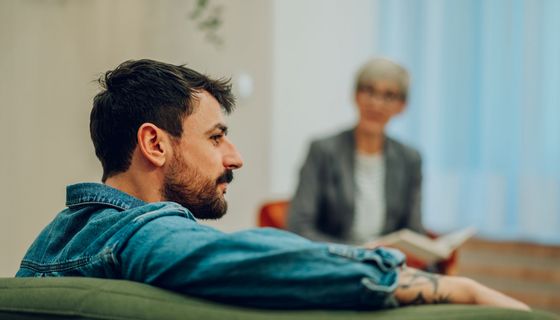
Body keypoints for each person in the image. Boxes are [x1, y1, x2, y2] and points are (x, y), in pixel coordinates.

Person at [16, 59, 528, 311]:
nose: (236, 157)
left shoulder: (55, 238)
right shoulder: (140, 234)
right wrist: (454, 287)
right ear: (155, 144)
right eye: (217, 137)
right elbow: (262, 258)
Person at [289, 58, 424, 245]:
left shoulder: (410, 159)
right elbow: (299, 226)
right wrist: (358, 255)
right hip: (335, 261)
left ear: (401, 106)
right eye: (369, 91)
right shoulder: (322, 151)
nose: (376, 104)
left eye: (389, 95)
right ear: (355, 95)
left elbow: (414, 232)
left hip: (386, 264)